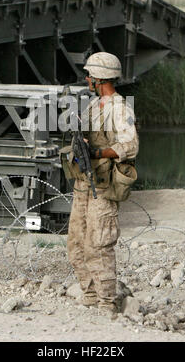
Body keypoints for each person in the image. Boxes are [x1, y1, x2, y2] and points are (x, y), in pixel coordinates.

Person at [64, 52, 139, 318]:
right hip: (84, 183)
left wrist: (96, 154)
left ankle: (107, 302)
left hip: (103, 186)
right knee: (76, 243)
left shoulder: (120, 108)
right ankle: (90, 295)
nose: (86, 79)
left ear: (99, 79)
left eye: (89, 76)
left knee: (99, 243)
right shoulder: (94, 106)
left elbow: (130, 146)